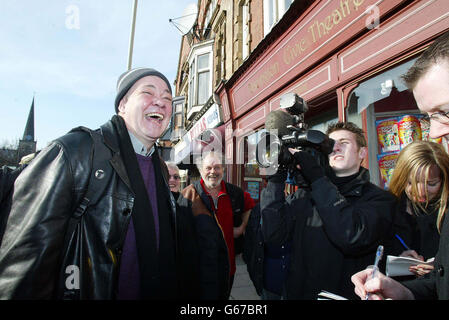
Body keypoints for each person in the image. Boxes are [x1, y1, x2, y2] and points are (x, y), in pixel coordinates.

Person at [0, 67, 200, 299]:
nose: (161, 102)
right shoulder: (76, 152)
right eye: (148, 93)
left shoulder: (162, 172)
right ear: (122, 105)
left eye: (167, 98)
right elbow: (25, 263)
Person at [352, 29, 449, 300]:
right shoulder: (387, 207)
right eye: (430, 117)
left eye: (446, 112)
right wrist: (400, 287)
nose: (433, 133)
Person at [260, 121, 396, 299]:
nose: (336, 148)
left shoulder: (381, 199)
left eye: (344, 143)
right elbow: (273, 236)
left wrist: (317, 177)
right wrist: (275, 182)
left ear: (362, 152)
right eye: (330, 144)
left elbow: (351, 237)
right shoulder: (303, 195)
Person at [179, 151, 255, 299]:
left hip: (227, 269)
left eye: (217, 167)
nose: (213, 172)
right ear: (201, 170)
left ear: (223, 170)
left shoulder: (235, 193)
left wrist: (241, 227)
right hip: (200, 271)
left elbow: (250, 205)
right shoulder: (188, 195)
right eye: (208, 168)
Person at [388, 141, 449, 277]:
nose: (421, 192)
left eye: (431, 183)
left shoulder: (445, 212)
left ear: (444, 179)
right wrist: (398, 259)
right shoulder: (388, 209)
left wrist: (439, 268)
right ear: (400, 178)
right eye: (411, 183)